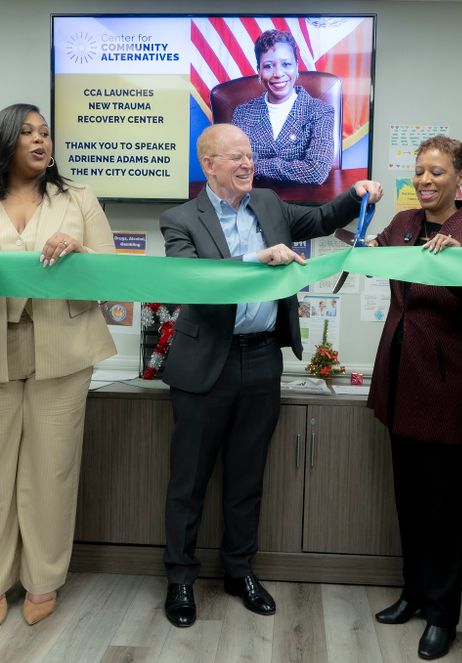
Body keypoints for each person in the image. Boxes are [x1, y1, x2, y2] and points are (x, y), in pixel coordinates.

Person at [160, 122, 382, 627]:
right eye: (234, 156)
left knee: (247, 475)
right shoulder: (179, 218)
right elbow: (188, 283)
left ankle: (239, 571)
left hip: (262, 359)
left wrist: (355, 194)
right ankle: (180, 580)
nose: (246, 163)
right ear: (208, 164)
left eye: (250, 155)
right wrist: (253, 261)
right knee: (188, 480)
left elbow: (325, 217)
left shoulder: (269, 204)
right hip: (204, 364)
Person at [0, 103, 115, 627]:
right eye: (28, 133)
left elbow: (108, 273)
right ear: (3, 142)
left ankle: (43, 580)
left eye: (46, 133)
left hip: (64, 348)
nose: (41, 141)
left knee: (51, 469)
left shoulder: (77, 198)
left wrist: (79, 248)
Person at [367, 135, 462, 660]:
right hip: (401, 384)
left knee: (445, 509)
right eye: (418, 172)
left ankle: (442, 614)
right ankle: (412, 594)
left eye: (435, 172)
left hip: (448, 391)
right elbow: (372, 258)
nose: (424, 181)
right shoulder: (403, 225)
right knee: (408, 501)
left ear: (460, 179)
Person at [230, 29, 335, 185]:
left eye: (286, 64)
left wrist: (255, 166)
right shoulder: (243, 113)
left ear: (296, 67)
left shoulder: (320, 111)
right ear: (259, 71)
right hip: (252, 203)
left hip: (303, 206)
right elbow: (233, 166)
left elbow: (316, 171)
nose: (278, 73)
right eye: (268, 66)